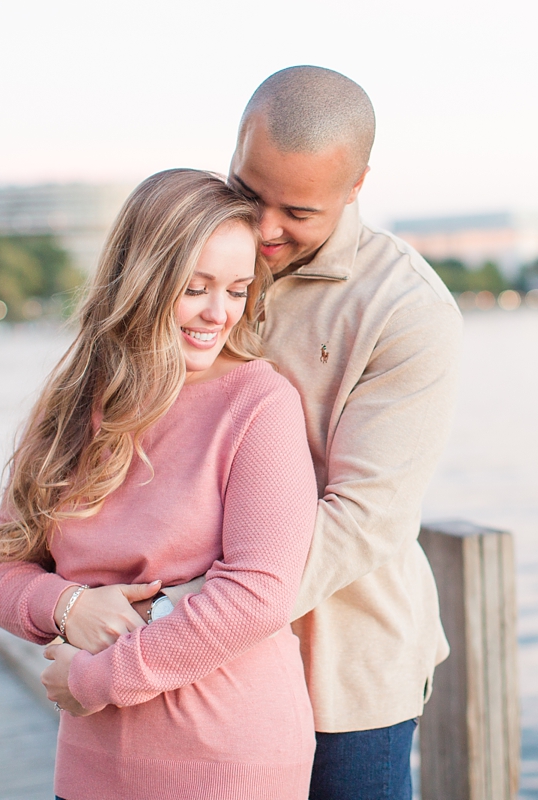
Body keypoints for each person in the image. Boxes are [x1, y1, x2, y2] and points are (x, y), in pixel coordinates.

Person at [168, 65, 463, 800]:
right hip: (183, 666)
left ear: (357, 184)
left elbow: (364, 518)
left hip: (341, 677)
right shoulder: (190, 258)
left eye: (298, 211)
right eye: (250, 191)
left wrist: (180, 613)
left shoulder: (407, 309)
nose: (265, 229)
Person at [0, 169, 318, 800]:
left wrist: (94, 679)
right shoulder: (71, 409)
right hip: (94, 767)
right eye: (196, 288)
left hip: (227, 762)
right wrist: (68, 606)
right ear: (141, 280)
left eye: (238, 291)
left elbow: (259, 593)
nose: (219, 314)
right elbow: (2, 574)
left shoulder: (258, 404)